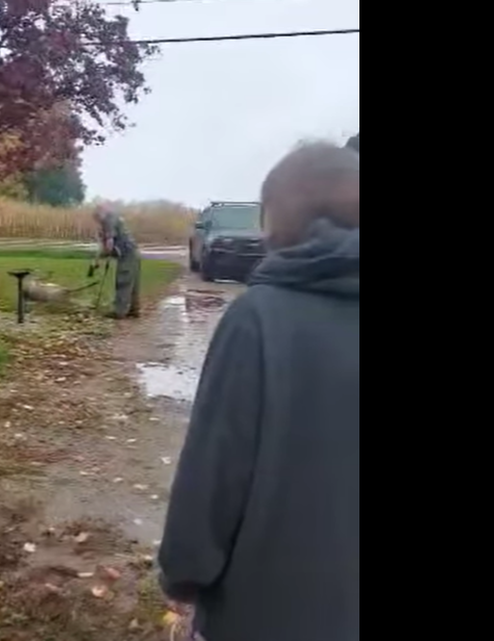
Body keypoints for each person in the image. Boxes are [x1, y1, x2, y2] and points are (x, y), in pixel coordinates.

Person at [159, 141, 360, 641]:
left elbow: (217, 467)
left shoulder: (260, 319)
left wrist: (185, 570)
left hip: (260, 611)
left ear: (278, 222)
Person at [92, 204, 142, 319]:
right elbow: (104, 245)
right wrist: (98, 259)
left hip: (126, 253)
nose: (98, 222)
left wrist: (106, 255)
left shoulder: (108, 220)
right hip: (133, 252)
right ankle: (134, 309)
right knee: (133, 283)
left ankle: (119, 311)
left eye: (97, 218)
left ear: (101, 214)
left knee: (123, 280)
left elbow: (109, 244)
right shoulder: (114, 218)